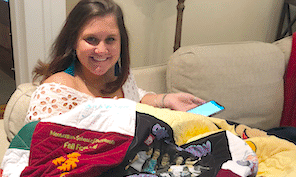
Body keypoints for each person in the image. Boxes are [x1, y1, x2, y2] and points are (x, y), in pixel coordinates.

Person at [25, 0, 205, 124]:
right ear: (73, 41)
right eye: (91, 39)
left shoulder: (119, 74)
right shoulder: (58, 89)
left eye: (110, 39)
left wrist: (167, 99)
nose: (102, 50)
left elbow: (135, 97)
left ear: (121, 42)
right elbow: (42, 156)